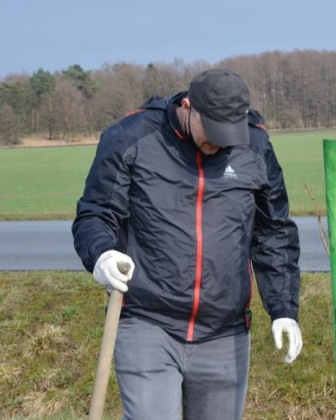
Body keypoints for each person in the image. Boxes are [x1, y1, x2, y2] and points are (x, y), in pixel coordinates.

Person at [73, 68, 302, 420]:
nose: (219, 143)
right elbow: (95, 214)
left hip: (225, 332)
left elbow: (273, 232)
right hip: (147, 321)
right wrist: (101, 254)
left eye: (228, 135)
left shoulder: (254, 146)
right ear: (188, 106)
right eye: (211, 131)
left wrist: (284, 308)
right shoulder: (131, 138)